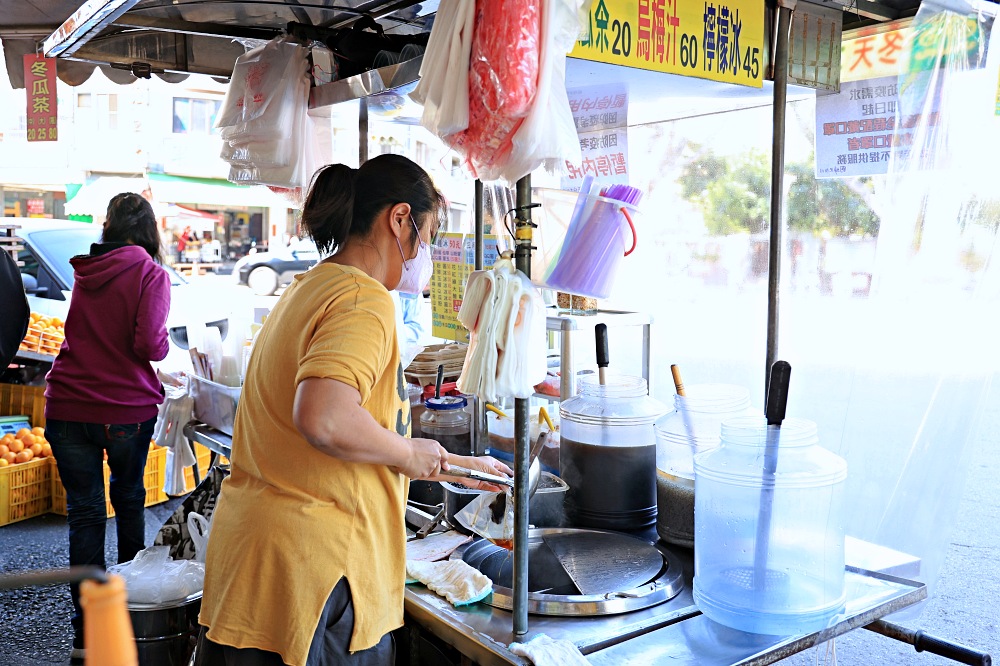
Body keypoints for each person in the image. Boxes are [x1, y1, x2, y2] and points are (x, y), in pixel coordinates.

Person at [196, 154, 510, 666]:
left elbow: (342, 423)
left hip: (257, 566)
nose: (426, 252)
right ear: (399, 219)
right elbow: (325, 417)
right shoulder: (363, 299)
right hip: (315, 577)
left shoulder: (311, 286)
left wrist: (452, 463)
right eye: (427, 235)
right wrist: (409, 452)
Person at [44, 192, 171, 662]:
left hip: (67, 405)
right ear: (149, 230)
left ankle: (86, 633)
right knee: (130, 501)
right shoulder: (150, 273)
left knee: (85, 514)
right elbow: (151, 346)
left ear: (108, 227)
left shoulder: (87, 270)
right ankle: (133, 620)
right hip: (124, 409)